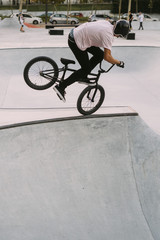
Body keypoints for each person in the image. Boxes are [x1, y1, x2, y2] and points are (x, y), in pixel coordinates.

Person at [53, 19, 129, 102]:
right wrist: (119, 62)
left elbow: (97, 23)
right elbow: (107, 57)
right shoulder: (108, 36)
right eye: (120, 36)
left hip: (79, 35)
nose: (118, 37)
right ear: (119, 32)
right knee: (85, 69)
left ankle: (83, 75)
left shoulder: (107, 23)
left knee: (100, 55)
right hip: (75, 40)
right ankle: (61, 87)